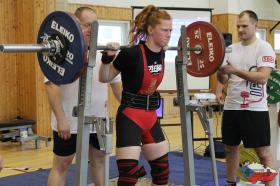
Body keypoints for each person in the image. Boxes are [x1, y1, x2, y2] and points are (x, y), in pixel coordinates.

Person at [45, 7, 122, 186]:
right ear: (75, 25)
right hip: (68, 122)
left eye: (95, 26)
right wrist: (61, 118)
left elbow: (116, 86)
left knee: (99, 160)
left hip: (98, 120)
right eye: (88, 26)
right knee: (62, 164)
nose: (92, 31)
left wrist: (133, 111)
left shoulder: (104, 52)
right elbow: (51, 86)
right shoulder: (59, 51)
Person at [99, 5, 172, 186]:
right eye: (164, 30)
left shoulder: (162, 53)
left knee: (162, 172)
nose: (169, 34)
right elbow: (104, 77)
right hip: (130, 117)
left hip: (151, 117)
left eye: (170, 30)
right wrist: (107, 58)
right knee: (128, 177)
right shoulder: (131, 53)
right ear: (150, 30)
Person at [215, 10, 276, 186]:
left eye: (244, 26)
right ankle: (231, 183)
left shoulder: (264, 47)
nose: (240, 29)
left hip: (255, 109)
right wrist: (220, 79)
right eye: (238, 26)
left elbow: (263, 77)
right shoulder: (230, 49)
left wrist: (235, 71)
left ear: (255, 26)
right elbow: (224, 78)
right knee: (229, 148)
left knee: (263, 154)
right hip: (232, 107)